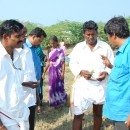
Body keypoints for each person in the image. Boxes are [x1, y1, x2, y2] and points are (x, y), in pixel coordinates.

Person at [69, 20, 114, 130]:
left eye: (93, 34)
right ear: (83, 34)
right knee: (78, 114)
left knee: (98, 113)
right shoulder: (78, 47)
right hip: (82, 85)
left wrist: (106, 72)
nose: (90, 37)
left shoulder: (105, 47)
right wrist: (81, 71)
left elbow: (111, 64)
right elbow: (72, 63)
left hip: (99, 85)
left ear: (97, 33)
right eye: (88, 34)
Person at [101, 16, 130, 130]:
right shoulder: (122, 51)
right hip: (119, 110)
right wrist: (111, 66)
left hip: (125, 113)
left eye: (108, 36)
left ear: (113, 34)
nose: (108, 39)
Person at [0, 20, 29, 130]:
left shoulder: (18, 56)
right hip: (5, 118)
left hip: (21, 115)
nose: (22, 39)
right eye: (18, 36)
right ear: (6, 37)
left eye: (23, 35)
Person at [16, 25, 40, 130]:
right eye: (22, 33)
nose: (25, 35)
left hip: (31, 96)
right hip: (18, 97)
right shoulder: (11, 52)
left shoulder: (28, 50)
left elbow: (32, 74)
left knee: (30, 125)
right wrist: (26, 84)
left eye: (26, 32)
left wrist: (37, 94)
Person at [24, 27, 47, 109]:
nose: (40, 43)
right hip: (25, 85)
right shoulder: (23, 47)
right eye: (40, 41)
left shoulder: (34, 48)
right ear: (34, 37)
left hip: (34, 82)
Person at [42, 35, 67, 107]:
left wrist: (63, 72)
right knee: (52, 86)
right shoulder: (49, 50)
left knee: (59, 86)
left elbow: (63, 62)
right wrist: (44, 72)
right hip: (52, 71)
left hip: (58, 70)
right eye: (51, 43)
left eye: (54, 43)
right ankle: (54, 102)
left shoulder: (60, 50)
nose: (52, 45)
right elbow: (48, 62)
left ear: (56, 42)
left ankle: (63, 98)